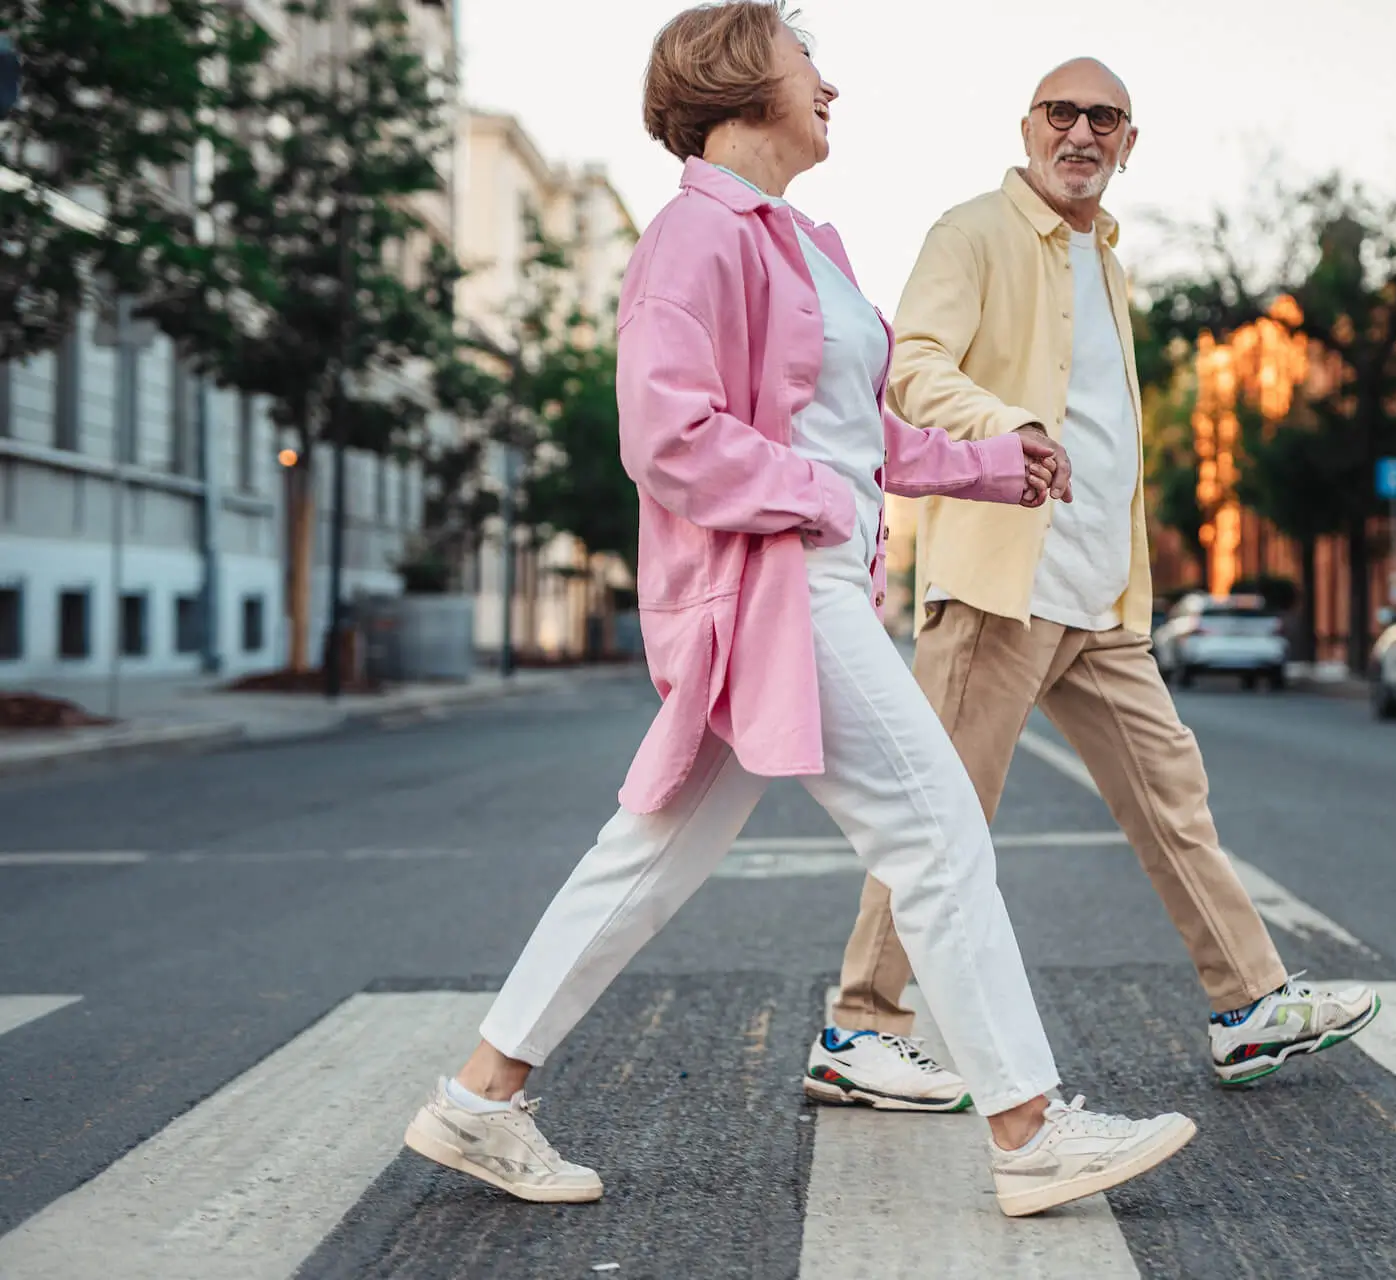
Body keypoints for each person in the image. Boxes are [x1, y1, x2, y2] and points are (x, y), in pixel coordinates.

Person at [399, 1, 1194, 1219]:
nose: (832, 85)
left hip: (804, 574)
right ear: (738, 81)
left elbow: (854, 429)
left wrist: (992, 462)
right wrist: (818, 498)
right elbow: (666, 435)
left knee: (650, 856)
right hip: (777, 583)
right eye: (808, 59)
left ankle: (478, 1094)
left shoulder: (801, 242)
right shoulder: (691, 235)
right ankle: (1031, 1129)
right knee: (938, 836)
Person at [805, 57, 1380, 1111]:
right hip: (1000, 585)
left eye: (1104, 118)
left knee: (1173, 796)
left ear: (1128, 141)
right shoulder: (971, 231)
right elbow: (912, 364)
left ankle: (1249, 1002)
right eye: (1062, 113)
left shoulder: (1106, 259)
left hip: (1100, 594)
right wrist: (1001, 424)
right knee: (942, 813)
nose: (1081, 132)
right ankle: (860, 1025)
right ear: (1028, 127)